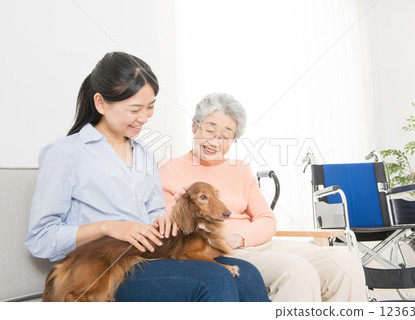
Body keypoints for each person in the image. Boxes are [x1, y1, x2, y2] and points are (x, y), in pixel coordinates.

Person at [25, 52, 269, 302]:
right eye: (134, 109)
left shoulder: (144, 155)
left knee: (247, 274)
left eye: (150, 107)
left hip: (149, 257)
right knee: (214, 278)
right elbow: (41, 239)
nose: (144, 118)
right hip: (104, 264)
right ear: (100, 103)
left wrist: (172, 215)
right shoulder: (64, 153)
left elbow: (153, 216)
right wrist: (109, 227)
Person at [159, 92, 368, 302]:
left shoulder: (240, 169)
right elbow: (168, 226)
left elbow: (266, 219)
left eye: (225, 136)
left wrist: (237, 238)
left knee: (344, 261)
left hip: (251, 243)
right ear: (195, 127)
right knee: (297, 270)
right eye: (210, 129)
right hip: (215, 250)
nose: (215, 140)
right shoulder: (168, 168)